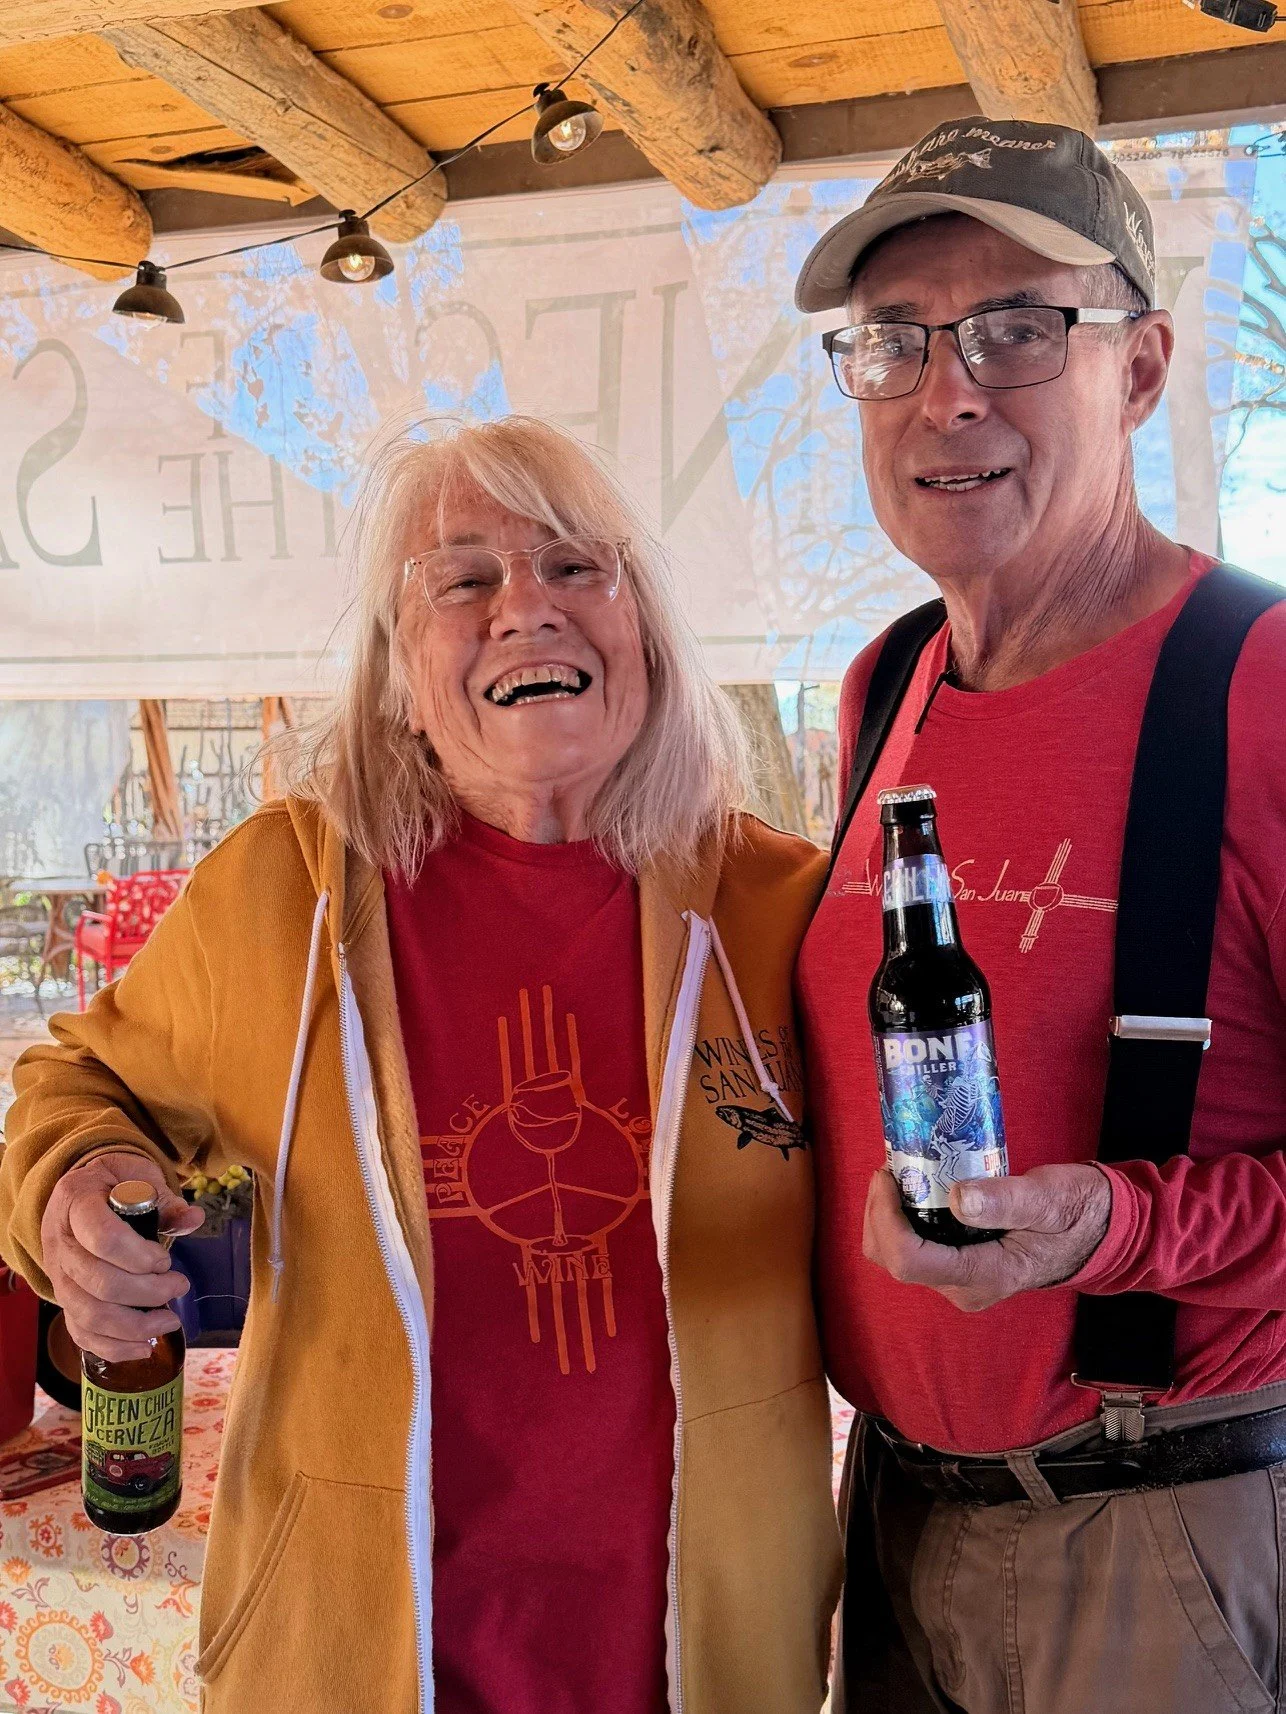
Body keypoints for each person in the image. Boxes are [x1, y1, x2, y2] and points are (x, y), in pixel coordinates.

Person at [0, 416, 841, 1714]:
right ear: (397, 674)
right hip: (353, 1651)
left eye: (575, 567)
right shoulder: (276, 896)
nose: (526, 608)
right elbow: (78, 1086)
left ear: (649, 631)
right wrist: (77, 1186)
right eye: (463, 580)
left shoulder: (782, 907)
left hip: (708, 1652)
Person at [793, 119, 1286, 1714]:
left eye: (1016, 329)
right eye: (893, 341)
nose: (948, 393)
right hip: (892, 1516)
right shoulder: (884, 686)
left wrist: (1115, 1230)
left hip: (1166, 1530)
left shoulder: (1263, 684)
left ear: (1136, 369)